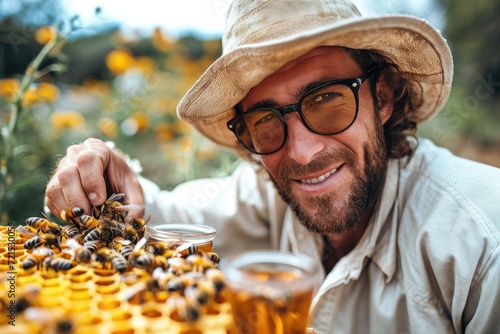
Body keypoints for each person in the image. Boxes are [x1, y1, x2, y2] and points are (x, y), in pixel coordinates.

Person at [45, 0, 500, 332]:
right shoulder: (265, 193)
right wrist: (105, 171)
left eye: (325, 100)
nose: (301, 153)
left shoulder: (481, 244)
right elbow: (167, 220)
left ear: (382, 97)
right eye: (265, 121)